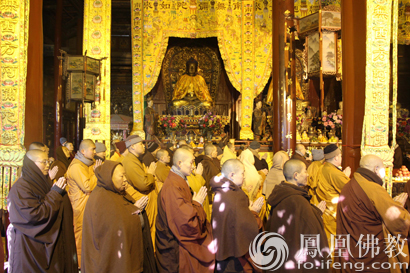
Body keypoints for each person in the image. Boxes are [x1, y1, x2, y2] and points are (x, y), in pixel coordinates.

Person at [336, 155, 410, 271]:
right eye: (383, 168)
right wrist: (399, 206)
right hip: (372, 255)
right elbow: (398, 221)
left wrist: (391, 204)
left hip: (352, 250)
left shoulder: (348, 186)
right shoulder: (373, 188)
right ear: (376, 169)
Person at [8, 150, 78, 272]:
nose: (47, 165)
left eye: (48, 161)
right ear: (31, 164)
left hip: (43, 247)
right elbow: (35, 216)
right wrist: (55, 194)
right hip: (28, 246)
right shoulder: (21, 188)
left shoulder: (42, 183)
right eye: (43, 162)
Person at [82, 160, 156, 273]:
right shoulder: (101, 198)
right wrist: (135, 210)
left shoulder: (116, 193)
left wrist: (134, 210)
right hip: (108, 261)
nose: (125, 179)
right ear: (109, 177)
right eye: (121, 176)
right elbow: (116, 227)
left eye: (125, 175)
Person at [156, 148, 215, 272]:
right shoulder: (173, 186)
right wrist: (197, 204)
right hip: (174, 249)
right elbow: (185, 223)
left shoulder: (178, 180)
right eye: (191, 162)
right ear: (179, 163)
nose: (193, 167)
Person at [266, 159, 330, 272]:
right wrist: (316, 214)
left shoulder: (280, 193)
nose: (307, 174)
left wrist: (314, 212)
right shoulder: (298, 200)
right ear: (296, 175)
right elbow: (311, 229)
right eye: (305, 171)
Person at [211, 159, 264, 273]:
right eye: (242, 173)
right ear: (232, 175)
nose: (244, 176)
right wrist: (254, 212)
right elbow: (246, 226)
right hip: (235, 255)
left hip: (222, 249)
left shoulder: (221, 190)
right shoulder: (235, 195)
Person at [65, 139, 102, 266]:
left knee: (89, 233)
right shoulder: (77, 166)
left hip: (88, 204)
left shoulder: (87, 164)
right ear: (83, 151)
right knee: (80, 234)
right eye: (92, 149)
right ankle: (79, 265)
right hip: (79, 206)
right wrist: (96, 173)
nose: (95, 152)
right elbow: (87, 186)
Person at [122, 135, 158, 244]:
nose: (144, 146)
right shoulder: (130, 162)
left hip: (147, 198)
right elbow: (143, 184)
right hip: (143, 199)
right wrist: (150, 175)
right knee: (149, 232)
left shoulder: (135, 160)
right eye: (141, 144)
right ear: (132, 146)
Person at [314, 144, 350, 250]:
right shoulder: (334, 172)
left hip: (325, 210)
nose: (342, 158)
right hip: (333, 212)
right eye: (341, 156)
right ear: (336, 157)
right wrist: (345, 177)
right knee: (333, 244)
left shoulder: (322, 168)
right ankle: (332, 266)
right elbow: (349, 190)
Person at [180, 144, 211, 221]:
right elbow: (196, 189)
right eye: (192, 155)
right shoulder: (184, 174)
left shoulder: (190, 168)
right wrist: (198, 175)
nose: (194, 157)